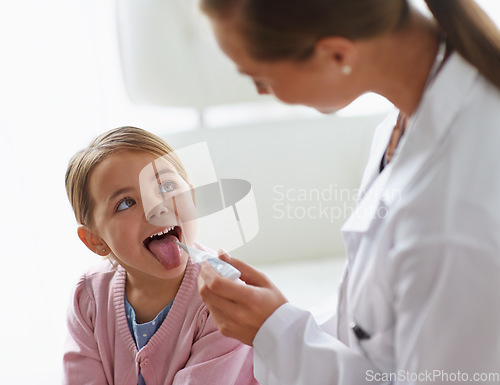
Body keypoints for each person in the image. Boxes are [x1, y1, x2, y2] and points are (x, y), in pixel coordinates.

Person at [197, 0, 500, 384]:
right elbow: (378, 328)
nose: (261, 92)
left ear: (336, 53)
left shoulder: (454, 216)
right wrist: (282, 319)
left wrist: (276, 334)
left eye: (261, 77)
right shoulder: (408, 119)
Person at [63, 126, 259, 385]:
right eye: (126, 203)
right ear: (96, 240)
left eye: (167, 186)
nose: (157, 207)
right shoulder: (88, 297)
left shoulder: (224, 298)